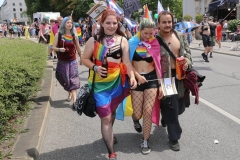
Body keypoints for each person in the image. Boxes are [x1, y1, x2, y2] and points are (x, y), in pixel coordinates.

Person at [81, 9, 137, 160]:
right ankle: (111, 152)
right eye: (108, 23)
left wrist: (131, 76)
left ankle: (109, 133)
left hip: (117, 84)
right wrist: (96, 67)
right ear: (102, 23)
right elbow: (84, 59)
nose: (111, 26)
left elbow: (126, 62)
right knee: (105, 118)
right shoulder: (93, 41)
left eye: (114, 23)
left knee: (111, 113)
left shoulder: (122, 40)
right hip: (99, 86)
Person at [156, 11, 193, 151]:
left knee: (180, 107)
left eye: (169, 22)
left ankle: (165, 118)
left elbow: (188, 53)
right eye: (164, 22)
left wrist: (187, 62)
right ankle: (174, 138)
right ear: (158, 24)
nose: (167, 24)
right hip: (167, 79)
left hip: (181, 77)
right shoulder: (154, 40)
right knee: (172, 107)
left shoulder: (180, 36)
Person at [129, 18, 163, 155]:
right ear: (139, 30)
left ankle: (145, 140)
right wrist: (137, 75)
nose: (148, 36)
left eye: (151, 33)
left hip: (152, 79)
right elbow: (127, 63)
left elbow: (158, 64)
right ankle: (135, 120)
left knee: (147, 111)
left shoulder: (155, 43)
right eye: (145, 33)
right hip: (137, 80)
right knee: (138, 113)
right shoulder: (131, 42)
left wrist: (160, 85)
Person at [52, 16, 82, 108]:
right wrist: (60, 49)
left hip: (72, 61)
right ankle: (69, 92)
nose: (69, 24)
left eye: (71, 22)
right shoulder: (59, 35)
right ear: (64, 24)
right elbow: (52, 47)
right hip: (62, 62)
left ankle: (75, 101)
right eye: (67, 22)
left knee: (73, 80)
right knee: (63, 79)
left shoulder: (74, 35)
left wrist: (81, 57)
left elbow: (78, 47)